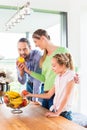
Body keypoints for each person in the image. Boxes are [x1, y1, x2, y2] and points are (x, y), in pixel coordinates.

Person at [23, 29, 70, 109]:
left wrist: (76, 77)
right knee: (44, 119)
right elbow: (44, 78)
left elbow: (72, 69)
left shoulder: (62, 50)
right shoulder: (44, 57)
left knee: (59, 120)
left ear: (43, 38)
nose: (36, 45)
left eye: (35, 41)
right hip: (46, 94)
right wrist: (28, 71)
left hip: (57, 93)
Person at [22, 53, 75, 120]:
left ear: (63, 65)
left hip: (64, 113)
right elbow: (48, 95)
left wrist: (57, 113)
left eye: (54, 66)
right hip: (56, 111)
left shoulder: (70, 76)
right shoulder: (58, 77)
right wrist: (30, 94)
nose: (52, 68)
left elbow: (67, 96)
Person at [16, 38, 42, 102]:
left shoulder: (37, 56)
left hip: (41, 85)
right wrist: (21, 72)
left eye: (24, 49)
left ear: (30, 48)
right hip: (29, 84)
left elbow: (37, 79)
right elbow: (22, 82)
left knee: (39, 107)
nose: (22, 52)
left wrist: (35, 99)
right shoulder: (19, 60)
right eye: (19, 50)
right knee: (29, 106)